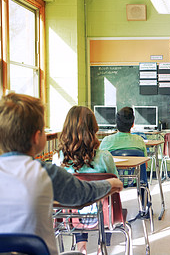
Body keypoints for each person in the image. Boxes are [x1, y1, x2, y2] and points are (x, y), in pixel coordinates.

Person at [0, 93, 123, 255]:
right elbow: (83, 194)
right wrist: (111, 183)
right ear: (37, 137)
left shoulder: (56, 159)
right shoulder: (45, 173)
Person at [53, 106, 119, 254]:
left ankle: (81, 247)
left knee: (76, 196)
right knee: (104, 198)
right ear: (93, 128)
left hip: (70, 218)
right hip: (102, 217)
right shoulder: (104, 157)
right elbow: (116, 185)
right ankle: (101, 248)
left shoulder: (58, 158)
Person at [99, 106, 150, 218]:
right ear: (132, 124)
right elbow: (145, 164)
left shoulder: (107, 141)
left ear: (116, 123)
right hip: (135, 180)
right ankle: (145, 208)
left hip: (113, 181)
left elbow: (100, 164)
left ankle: (107, 211)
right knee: (143, 181)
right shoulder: (139, 140)